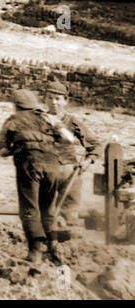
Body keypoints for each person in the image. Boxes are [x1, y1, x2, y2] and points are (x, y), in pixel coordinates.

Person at [0, 89, 75, 264]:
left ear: (16, 105)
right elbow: (69, 139)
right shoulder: (48, 117)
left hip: (29, 166)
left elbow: (2, 150)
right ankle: (53, 246)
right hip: (53, 165)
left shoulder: (13, 121)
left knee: (29, 208)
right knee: (48, 207)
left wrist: (16, 148)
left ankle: (35, 252)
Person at [45, 81, 101, 226]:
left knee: (69, 214)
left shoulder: (73, 121)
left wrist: (88, 161)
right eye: (49, 98)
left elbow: (95, 145)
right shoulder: (38, 120)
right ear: (44, 99)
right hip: (44, 170)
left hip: (68, 171)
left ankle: (68, 241)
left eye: (57, 99)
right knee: (43, 213)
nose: (53, 102)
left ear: (65, 101)